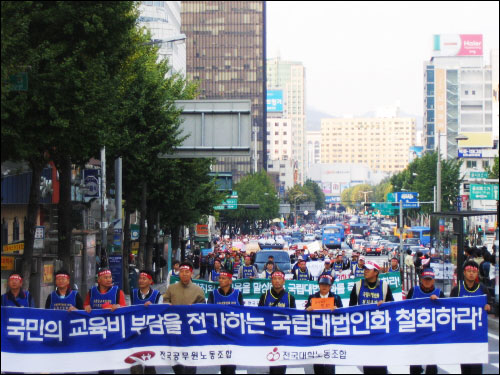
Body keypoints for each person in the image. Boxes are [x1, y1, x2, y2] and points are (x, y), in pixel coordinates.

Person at [349, 261, 393, 374]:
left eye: (369, 269)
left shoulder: (384, 286)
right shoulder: (358, 285)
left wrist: (384, 304)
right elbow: (351, 306)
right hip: (364, 329)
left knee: (381, 361)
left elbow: (392, 307)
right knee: (367, 362)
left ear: (376, 272)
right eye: (365, 269)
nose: (365, 271)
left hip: (380, 330)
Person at [163, 261, 205, 374]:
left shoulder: (198, 290)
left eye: (187, 272)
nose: (184, 274)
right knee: (175, 360)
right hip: (174, 328)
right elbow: (165, 301)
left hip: (190, 329)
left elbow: (203, 308)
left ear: (191, 273)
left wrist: (196, 307)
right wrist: (167, 304)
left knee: (190, 358)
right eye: (182, 271)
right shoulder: (171, 288)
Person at [450, 260, 491, 375]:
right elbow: (448, 308)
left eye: (474, 271)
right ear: (464, 272)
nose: (471, 274)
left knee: (477, 367)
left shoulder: (482, 289)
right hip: (462, 334)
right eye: (469, 271)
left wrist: (488, 307)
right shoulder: (457, 289)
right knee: (465, 367)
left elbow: (490, 304)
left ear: (477, 273)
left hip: (477, 335)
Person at [406, 268, 444, 375]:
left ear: (433, 280)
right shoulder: (414, 291)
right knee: (414, 363)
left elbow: (447, 311)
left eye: (429, 279)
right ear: (421, 279)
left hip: (432, 333)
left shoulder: (439, 293)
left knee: (432, 363)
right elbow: (404, 307)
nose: (427, 281)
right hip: (415, 332)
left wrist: (438, 301)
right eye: (425, 279)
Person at [258, 270, 296, 375]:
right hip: (269, 333)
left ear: (284, 281)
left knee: (282, 362)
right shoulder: (265, 296)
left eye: (279, 279)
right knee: (271, 361)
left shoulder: (289, 297)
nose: (277, 281)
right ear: (271, 281)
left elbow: (293, 317)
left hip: (283, 335)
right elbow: (259, 313)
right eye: (274, 279)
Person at [207, 268, 244, 374]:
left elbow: (242, 312)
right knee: (223, 361)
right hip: (219, 332)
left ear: (230, 281)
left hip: (233, 333)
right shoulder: (213, 294)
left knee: (232, 362)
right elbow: (208, 311)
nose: (221, 280)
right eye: (220, 278)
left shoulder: (237, 294)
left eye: (224, 278)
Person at [305, 274, 342, 374]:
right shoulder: (312, 298)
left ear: (330, 286)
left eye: (327, 285)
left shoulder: (336, 298)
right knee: (317, 363)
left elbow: (343, 315)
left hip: (331, 333)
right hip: (317, 333)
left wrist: (338, 310)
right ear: (319, 285)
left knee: (330, 363)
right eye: (322, 284)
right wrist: (308, 309)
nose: (324, 287)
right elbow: (304, 315)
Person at [130, 271, 162, 374]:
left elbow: (161, 311)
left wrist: (153, 307)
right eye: (140, 278)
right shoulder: (133, 293)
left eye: (144, 279)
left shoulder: (156, 295)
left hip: (150, 335)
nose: (141, 281)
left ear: (150, 281)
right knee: (135, 365)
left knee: (150, 366)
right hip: (136, 335)